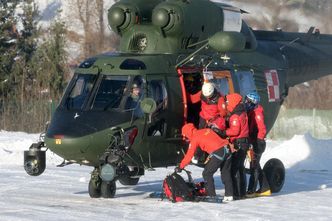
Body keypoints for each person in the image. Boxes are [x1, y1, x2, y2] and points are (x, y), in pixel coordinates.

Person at [175, 123, 234, 202]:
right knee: (225, 172)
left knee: (207, 173)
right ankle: (229, 195)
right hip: (227, 149)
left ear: (188, 133)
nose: (186, 138)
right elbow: (207, 142)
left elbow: (189, 156)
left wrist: (181, 167)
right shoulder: (206, 130)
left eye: (185, 136)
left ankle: (211, 196)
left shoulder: (195, 138)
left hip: (219, 152)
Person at [212, 93, 249, 199]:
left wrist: (222, 132)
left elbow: (235, 130)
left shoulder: (235, 116)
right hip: (244, 142)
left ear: (233, 102)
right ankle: (242, 192)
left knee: (234, 169)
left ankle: (236, 193)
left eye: (228, 102)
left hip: (239, 143)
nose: (226, 104)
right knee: (240, 168)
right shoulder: (242, 112)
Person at [245, 91, 271, 197]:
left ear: (253, 102)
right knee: (256, 165)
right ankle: (265, 188)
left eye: (247, 101)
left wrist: (258, 141)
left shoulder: (257, 112)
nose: (245, 102)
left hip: (258, 143)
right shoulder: (252, 111)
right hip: (254, 140)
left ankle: (251, 190)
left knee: (254, 166)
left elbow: (262, 129)